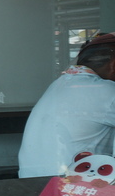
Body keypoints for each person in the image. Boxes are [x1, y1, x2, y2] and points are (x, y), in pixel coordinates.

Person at [18, 32, 115, 178]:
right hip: (69, 188)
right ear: (113, 65)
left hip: (31, 182)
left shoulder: (60, 84)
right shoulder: (106, 90)